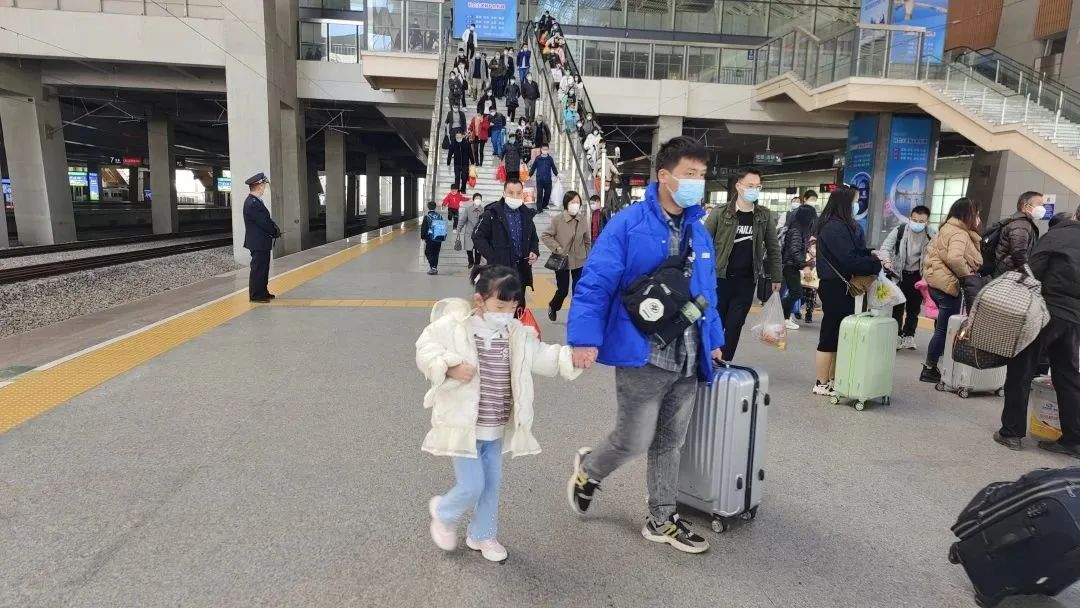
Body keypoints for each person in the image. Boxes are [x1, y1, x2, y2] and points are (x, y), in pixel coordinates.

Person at [565, 136, 725, 555]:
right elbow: (596, 282)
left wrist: (714, 340)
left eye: (702, 176)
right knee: (633, 439)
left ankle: (661, 518)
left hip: (688, 354)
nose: (697, 183)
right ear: (664, 176)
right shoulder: (628, 224)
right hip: (643, 352)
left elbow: (708, 291)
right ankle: (589, 470)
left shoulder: (699, 231)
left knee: (670, 441)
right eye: (690, 175)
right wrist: (584, 338)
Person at [419, 264, 582, 563]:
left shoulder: (517, 333)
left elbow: (543, 355)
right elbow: (425, 348)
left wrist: (571, 358)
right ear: (479, 301)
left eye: (512, 307)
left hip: (494, 426)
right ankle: (443, 512)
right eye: (499, 305)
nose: (506, 312)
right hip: (464, 426)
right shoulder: (456, 327)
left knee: (491, 486)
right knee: (472, 485)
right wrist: (450, 366)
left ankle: (482, 535)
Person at [995, 208, 1080, 456]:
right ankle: (1073, 439)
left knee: (1022, 368)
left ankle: (1011, 433)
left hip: (1045, 312)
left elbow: (1033, 271)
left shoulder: (1057, 235)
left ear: (1075, 214)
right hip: (1075, 319)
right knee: (1069, 376)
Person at [703, 168, 782, 361]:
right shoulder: (720, 213)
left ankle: (724, 364)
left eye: (758, 186)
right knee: (715, 323)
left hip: (746, 282)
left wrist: (777, 276)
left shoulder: (763, 216)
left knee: (734, 326)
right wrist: (701, 275)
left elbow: (773, 247)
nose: (754, 190)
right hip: (720, 280)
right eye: (750, 186)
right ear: (738, 186)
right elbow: (703, 243)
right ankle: (706, 361)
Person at [812, 186, 883, 395]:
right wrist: (873, 264)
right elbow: (848, 259)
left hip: (838, 285)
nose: (857, 203)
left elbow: (852, 252)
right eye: (855, 200)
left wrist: (871, 255)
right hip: (835, 285)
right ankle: (821, 382)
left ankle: (834, 379)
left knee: (839, 335)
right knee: (830, 334)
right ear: (845, 202)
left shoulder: (840, 225)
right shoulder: (834, 227)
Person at [920, 198, 983, 384]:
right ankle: (929, 368)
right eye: (976, 214)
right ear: (968, 214)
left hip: (937, 283)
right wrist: (967, 276)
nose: (978, 218)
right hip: (947, 285)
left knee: (942, 327)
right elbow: (955, 258)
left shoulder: (946, 228)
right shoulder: (959, 233)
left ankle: (934, 365)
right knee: (944, 329)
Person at [472, 178, 540, 304]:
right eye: (511, 192)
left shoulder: (526, 214)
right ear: (504, 193)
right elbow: (477, 236)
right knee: (499, 304)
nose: (515, 196)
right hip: (500, 270)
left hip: (521, 269)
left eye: (519, 193)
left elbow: (534, 238)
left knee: (518, 305)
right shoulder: (492, 213)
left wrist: (534, 251)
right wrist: (493, 256)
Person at [877, 205, 933, 350]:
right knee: (897, 308)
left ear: (927, 221)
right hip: (899, 275)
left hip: (918, 277)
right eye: (914, 220)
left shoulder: (932, 235)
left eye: (921, 221)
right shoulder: (899, 231)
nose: (917, 223)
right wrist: (887, 261)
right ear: (909, 218)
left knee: (914, 309)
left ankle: (909, 336)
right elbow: (885, 248)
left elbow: (936, 256)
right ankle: (896, 336)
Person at [542, 191, 591, 321]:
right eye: (572, 202)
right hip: (561, 259)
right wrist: (557, 248)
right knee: (563, 290)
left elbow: (587, 240)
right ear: (566, 204)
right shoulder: (557, 220)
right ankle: (553, 306)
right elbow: (545, 235)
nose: (575, 205)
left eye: (577, 202)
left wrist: (587, 256)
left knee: (578, 290)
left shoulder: (583, 220)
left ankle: (575, 315)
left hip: (580, 260)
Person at [241, 172, 280, 303]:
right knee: (258, 269)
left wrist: (273, 229)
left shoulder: (255, 201)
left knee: (263, 268)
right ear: (258, 186)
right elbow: (263, 222)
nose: (264, 188)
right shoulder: (252, 203)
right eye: (263, 185)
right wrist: (274, 231)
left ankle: (263, 292)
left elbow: (265, 220)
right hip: (258, 242)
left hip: (261, 242)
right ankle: (256, 295)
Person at [780, 204, 817, 330]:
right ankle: (781, 315)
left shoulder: (798, 229)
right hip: (790, 265)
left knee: (796, 293)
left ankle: (785, 317)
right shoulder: (796, 231)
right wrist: (804, 265)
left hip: (791, 265)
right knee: (796, 293)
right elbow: (794, 250)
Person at [993, 190, 1043, 276]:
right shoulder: (1021, 225)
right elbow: (1018, 253)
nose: (1042, 208)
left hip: (1009, 272)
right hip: (1010, 275)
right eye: (1039, 205)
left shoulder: (1022, 223)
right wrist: (1028, 273)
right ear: (1027, 206)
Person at [529, 143, 558, 211]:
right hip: (540, 179)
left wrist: (557, 174)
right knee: (539, 194)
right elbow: (533, 168)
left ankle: (544, 205)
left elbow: (553, 167)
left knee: (548, 193)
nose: (545, 150)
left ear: (548, 150)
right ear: (541, 150)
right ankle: (539, 208)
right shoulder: (538, 158)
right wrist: (529, 175)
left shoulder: (550, 159)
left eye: (546, 149)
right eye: (543, 149)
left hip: (548, 179)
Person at [420, 201, 447, 275]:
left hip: (430, 238)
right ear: (435, 207)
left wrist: (423, 237)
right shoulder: (440, 216)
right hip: (439, 237)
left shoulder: (427, 217)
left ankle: (433, 267)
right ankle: (434, 267)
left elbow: (424, 228)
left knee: (428, 252)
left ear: (428, 207)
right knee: (436, 253)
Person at [459, 193, 485, 268]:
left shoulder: (483, 210)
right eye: (476, 198)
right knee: (469, 248)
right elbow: (463, 220)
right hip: (469, 232)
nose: (478, 200)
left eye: (479, 199)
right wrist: (459, 229)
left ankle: (477, 264)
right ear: (473, 200)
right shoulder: (468, 209)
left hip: (479, 233)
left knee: (478, 249)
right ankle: (470, 261)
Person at [447, 131, 475, 198]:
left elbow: (470, 153)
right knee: (457, 177)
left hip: (465, 164)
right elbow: (450, 153)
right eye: (457, 137)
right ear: (455, 137)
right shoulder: (453, 144)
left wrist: (472, 162)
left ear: (462, 136)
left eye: (459, 136)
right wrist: (448, 162)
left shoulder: (467, 143)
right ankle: (457, 190)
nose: (458, 138)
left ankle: (463, 189)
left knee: (464, 177)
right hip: (457, 164)